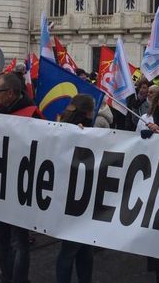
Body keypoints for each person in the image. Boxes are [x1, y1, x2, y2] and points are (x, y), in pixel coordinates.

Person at [0, 72, 42, 283]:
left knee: (20, 241)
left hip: (21, 186)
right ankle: (6, 276)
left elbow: (45, 149)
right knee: (1, 237)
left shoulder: (33, 114)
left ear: (11, 93)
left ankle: (19, 280)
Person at [56, 95, 96, 283]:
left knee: (84, 250)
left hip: (76, 198)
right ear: (87, 112)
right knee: (70, 250)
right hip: (77, 198)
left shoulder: (63, 127)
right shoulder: (70, 130)